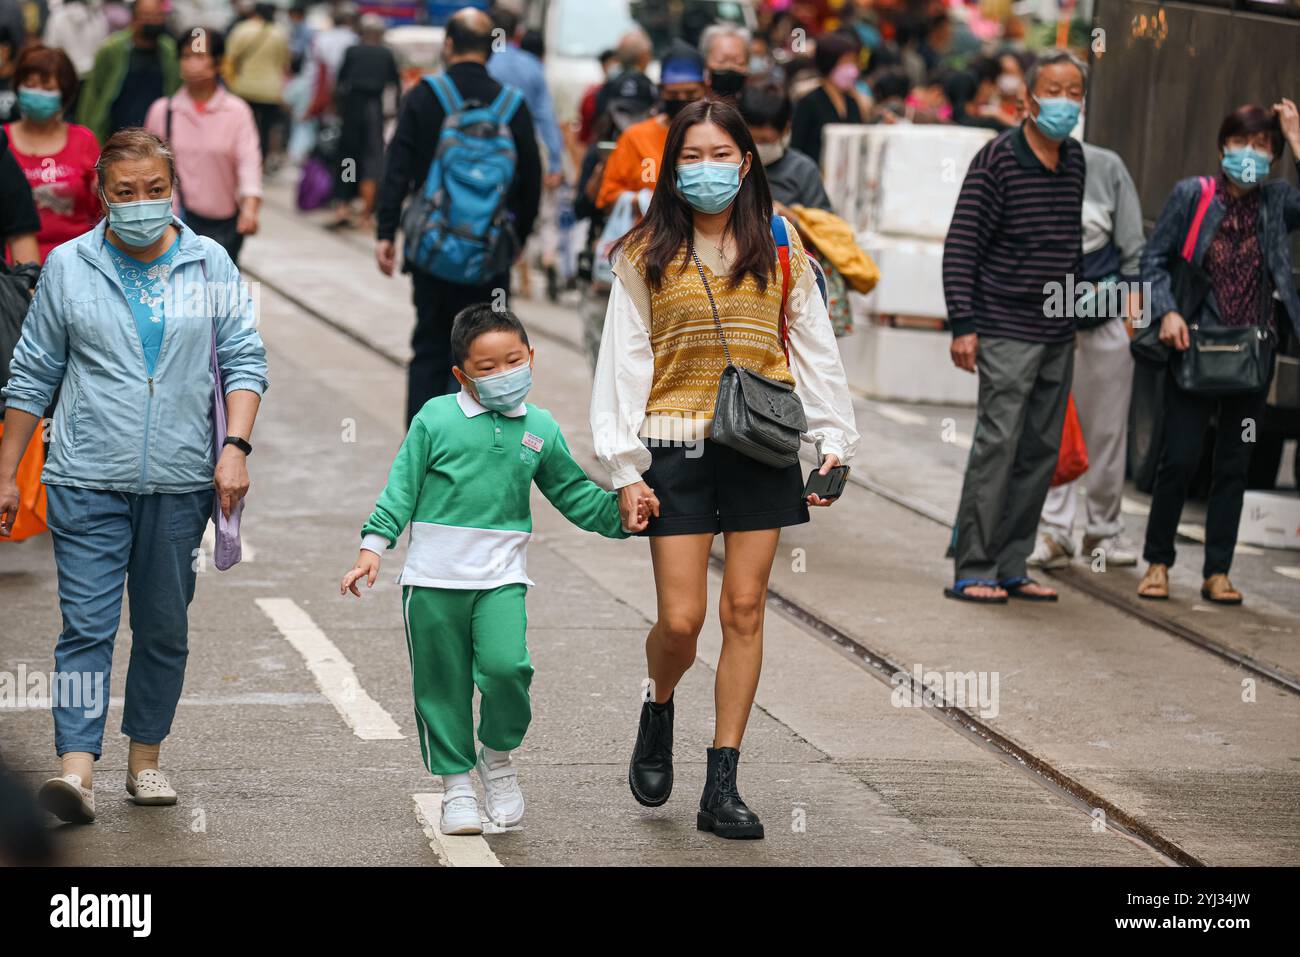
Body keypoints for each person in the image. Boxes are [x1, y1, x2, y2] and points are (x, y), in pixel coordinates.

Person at [590, 99, 858, 839]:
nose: (707, 170)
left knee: (744, 610)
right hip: (673, 447)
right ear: (673, 167)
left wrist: (835, 435)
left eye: (720, 155)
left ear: (746, 162)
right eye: (691, 156)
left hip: (760, 447)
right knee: (681, 620)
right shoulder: (644, 251)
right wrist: (623, 466)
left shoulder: (779, 243)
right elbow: (624, 361)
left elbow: (811, 341)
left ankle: (722, 781)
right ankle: (659, 699)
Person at [0, 128, 268, 824]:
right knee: (85, 625)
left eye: (155, 190)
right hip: (86, 473)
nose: (143, 203)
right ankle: (76, 770)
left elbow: (243, 357)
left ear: (171, 188)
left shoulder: (209, 262)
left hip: (181, 480)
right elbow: (33, 371)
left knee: (161, 626)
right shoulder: (68, 266)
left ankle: (144, 760)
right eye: (126, 192)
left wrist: (235, 445)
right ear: (103, 195)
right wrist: (6, 471)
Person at [341, 304, 641, 835]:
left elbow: (572, 493)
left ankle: (496, 758)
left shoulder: (540, 428)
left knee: (508, 669)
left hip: (501, 579)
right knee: (441, 685)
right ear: (461, 374)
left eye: (514, 361)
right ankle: (456, 786)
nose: (504, 374)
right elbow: (401, 488)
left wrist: (623, 516)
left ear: (532, 358)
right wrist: (373, 547)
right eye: (487, 367)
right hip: (431, 582)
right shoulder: (435, 418)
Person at [1137, 100, 1300, 604]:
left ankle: (1218, 572)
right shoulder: (1195, 195)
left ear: (1273, 155)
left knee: (1236, 463)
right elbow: (1153, 259)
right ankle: (1159, 562)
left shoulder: (1276, 203)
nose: (1250, 154)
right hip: (1193, 349)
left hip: (1251, 357)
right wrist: (1165, 310)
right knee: (1180, 460)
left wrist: (1296, 134)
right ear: (1221, 147)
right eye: (1241, 143)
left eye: (1262, 146)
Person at [941, 50, 1087, 604]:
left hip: (1057, 329)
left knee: (1040, 450)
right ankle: (972, 566)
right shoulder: (997, 159)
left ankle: (1011, 563)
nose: (1065, 103)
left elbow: (1068, 243)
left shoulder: (1074, 160)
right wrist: (964, 323)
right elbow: (963, 245)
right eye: (1054, 90)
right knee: (998, 445)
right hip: (1004, 325)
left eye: (1075, 93)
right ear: (1027, 99)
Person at [375, 6, 541, 426]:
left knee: (430, 347)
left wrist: (386, 231)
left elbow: (396, 168)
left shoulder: (426, 95)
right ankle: (475, 448)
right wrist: (514, 240)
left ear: (448, 45)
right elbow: (531, 183)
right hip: (488, 256)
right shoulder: (512, 106)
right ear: (492, 49)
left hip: (432, 252)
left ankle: (421, 445)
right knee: (484, 355)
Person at [1029, 142, 1144, 570]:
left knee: (1106, 434)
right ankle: (1055, 530)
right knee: (1054, 429)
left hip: (1104, 319)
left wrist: (1135, 317)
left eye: (1070, 92)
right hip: (1046, 319)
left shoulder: (1107, 164)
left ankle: (1103, 531)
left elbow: (1134, 247)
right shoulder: (1022, 160)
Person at [144, 26, 262, 264]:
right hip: (173, 225)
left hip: (223, 225)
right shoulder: (163, 111)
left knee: (217, 294)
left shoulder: (237, 111)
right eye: (186, 56)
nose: (192, 64)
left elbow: (249, 163)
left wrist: (250, 208)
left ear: (217, 62)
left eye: (200, 56)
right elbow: (147, 168)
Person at [4, 45, 101, 262]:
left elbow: (100, 206)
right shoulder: (3, 142)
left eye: (46, 87)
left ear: (64, 93)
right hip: (13, 269)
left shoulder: (84, 140)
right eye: (30, 85)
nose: (37, 92)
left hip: (76, 261)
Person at [595, 40, 706, 210]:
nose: (682, 99)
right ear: (661, 90)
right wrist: (643, 201)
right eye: (673, 93)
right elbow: (607, 197)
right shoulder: (635, 137)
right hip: (648, 233)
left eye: (690, 93)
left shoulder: (719, 133)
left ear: (705, 89)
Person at [330, 13, 398, 231]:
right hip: (373, 111)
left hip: (353, 109)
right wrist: (392, 114)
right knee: (372, 162)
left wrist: (339, 110)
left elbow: (339, 84)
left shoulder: (353, 52)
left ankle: (343, 205)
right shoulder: (386, 54)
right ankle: (366, 214)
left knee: (348, 159)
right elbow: (394, 88)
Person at [77, 0, 179, 143]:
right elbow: (92, 95)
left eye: (158, 16)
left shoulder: (171, 52)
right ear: (134, 19)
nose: (153, 21)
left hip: (157, 142)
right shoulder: (112, 50)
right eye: (147, 16)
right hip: (115, 140)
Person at [739, 82, 832, 214]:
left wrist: (792, 218)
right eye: (751, 140)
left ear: (786, 129)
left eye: (765, 140)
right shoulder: (733, 164)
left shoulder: (802, 170)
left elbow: (826, 226)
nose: (757, 147)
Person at [225, 2, 290, 169]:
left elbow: (229, 60)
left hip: (244, 87)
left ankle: (240, 163)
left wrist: (230, 84)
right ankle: (258, 166)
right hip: (270, 90)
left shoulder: (242, 29)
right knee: (265, 131)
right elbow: (284, 64)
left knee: (242, 129)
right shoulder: (280, 33)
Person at [789, 29, 862, 168]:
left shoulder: (852, 103)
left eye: (854, 62)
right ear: (830, 63)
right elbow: (796, 147)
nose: (853, 69)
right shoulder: (809, 102)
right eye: (846, 62)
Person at [42, 0, 111, 79]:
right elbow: (103, 47)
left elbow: (50, 48)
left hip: (66, 75)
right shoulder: (98, 17)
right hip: (91, 74)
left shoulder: (57, 18)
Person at [699, 21, 750, 100]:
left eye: (738, 62)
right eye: (721, 61)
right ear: (705, 61)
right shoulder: (693, 106)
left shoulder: (763, 109)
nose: (729, 66)